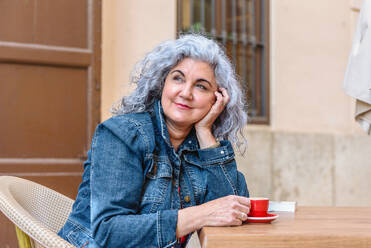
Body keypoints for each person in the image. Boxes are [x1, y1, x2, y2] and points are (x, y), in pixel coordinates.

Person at [58, 34, 250, 248]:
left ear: (217, 99)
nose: (185, 93)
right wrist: (199, 215)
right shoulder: (122, 134)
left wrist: (205, 133)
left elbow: (234, 209)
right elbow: (109, 232)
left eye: (201, 86)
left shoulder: (200, 146)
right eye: (178, 78)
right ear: (162, 84)